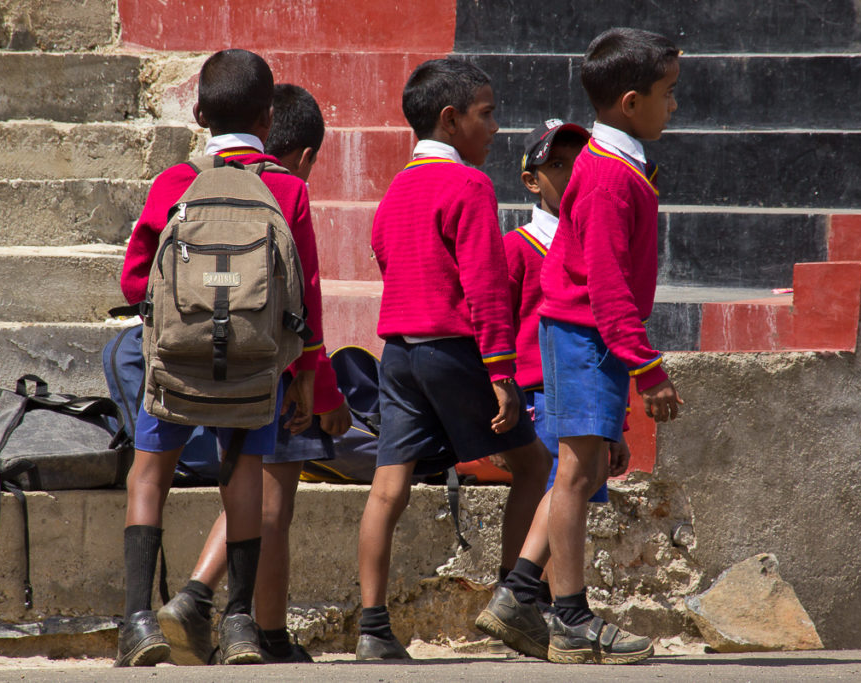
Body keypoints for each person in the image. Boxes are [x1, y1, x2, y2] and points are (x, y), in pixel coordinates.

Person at [114, 51, 326, 668]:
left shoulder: (174, 184)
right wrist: (308, 372)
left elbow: (134, 282)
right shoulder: (286, 188)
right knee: (243, 482)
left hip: (177, 363)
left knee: (148, 476)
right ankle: (237, 624)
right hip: (255, 371)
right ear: (267, 118)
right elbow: (304, 292)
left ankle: (135, 623)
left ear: (199, 112)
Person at [356, 57, 549, 661]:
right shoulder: (469, 185)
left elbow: (385, 254)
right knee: (534, 465)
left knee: (388, 487)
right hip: (454, 351)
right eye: (486, 114)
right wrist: (501, 373)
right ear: (450, 118)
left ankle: (372, 627)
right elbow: (486, 286)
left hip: (398, 355)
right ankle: (514, 604)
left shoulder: (395, 190)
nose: (494, 126)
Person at [154, 83, 352, 666]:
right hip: (279, 373)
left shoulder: (192, 182)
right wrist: (323, 386)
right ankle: (233, 612)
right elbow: (305, 297)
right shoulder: (285, 191)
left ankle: (241, 617)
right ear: (307, 155)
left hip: (199, 358)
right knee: (272, 503)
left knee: (255, 498)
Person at [542, 27, 682, 664]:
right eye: (668, 93)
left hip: (590, 338)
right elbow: (605, 285)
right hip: (584, 334)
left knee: (586, 467)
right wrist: (648, 373)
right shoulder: (606, 178)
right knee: (573, 475)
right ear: (631, 102)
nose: (674, 106)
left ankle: (529, 594)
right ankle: (568, 616)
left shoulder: (617, 167)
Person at [476, 118, 632, 660]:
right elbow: (495, 321)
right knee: (567, 483)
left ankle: (523, 596)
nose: (568, 174)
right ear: (531, 180)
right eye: (556, 165)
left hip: (581, 386)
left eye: (575, 162)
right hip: (538, 390)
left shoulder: (589, 237)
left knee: (575, 484)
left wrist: (618, 422)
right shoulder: (518, 247)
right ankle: (538, 600)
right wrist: (502, 388)